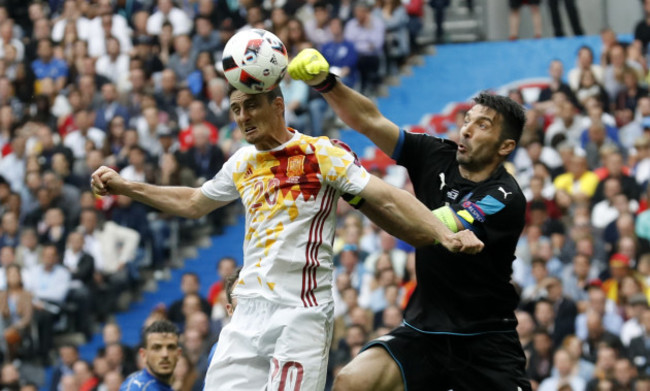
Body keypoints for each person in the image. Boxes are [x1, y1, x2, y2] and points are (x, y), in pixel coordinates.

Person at [92, 84, 483, 390]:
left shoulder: (320, 153)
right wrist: (126, 186)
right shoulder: (243, 162)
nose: (243, 117)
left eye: (251, 106)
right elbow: (194, 201)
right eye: (236, 110)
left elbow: (387, 195)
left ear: (278, 105)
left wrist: (444, 232)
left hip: (301, 311)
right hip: (246, 314)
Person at [289, 48, 531, 390]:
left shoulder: (503, 197)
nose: (466, 130)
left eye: (482, 125)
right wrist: (327, 84)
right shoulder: (436, 155)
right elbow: (370, 121)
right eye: (467, 120)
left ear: (505, 147)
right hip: (425, 330)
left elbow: (427, 231)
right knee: (350, 382)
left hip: (485, 340)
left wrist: (356, 190)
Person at [120, 320, 181, 390]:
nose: (165, 354)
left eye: (170, 347)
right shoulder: (136, 388)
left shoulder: (165, 386)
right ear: (143, 355)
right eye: (157, 348)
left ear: (178, 354)